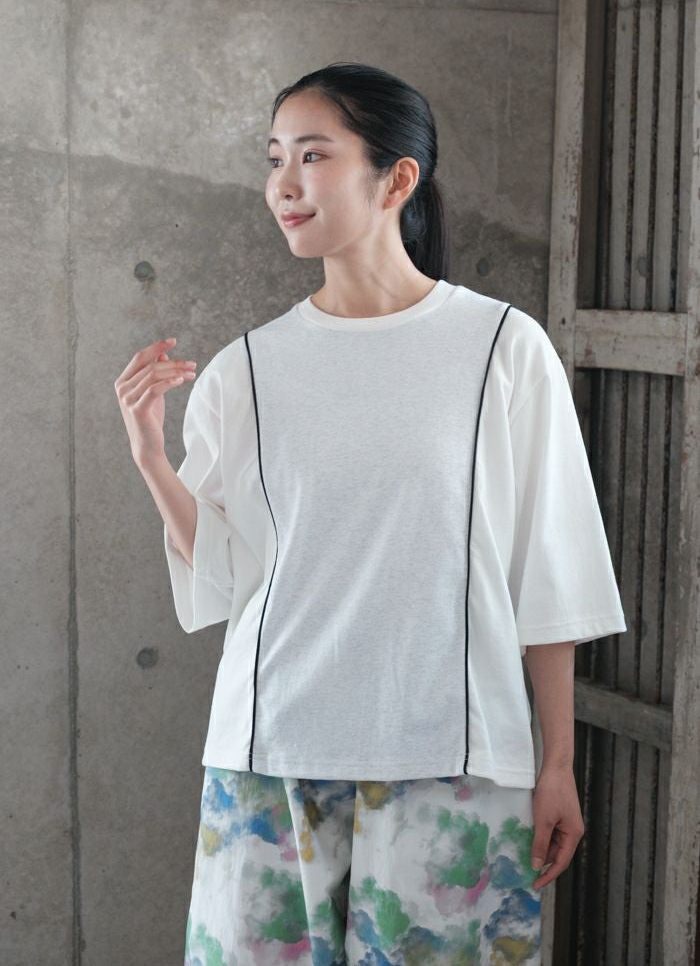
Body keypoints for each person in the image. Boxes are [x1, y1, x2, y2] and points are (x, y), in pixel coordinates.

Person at [115, 62, 627, 965]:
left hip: (457, 764)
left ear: (397, 179)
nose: (284, 184)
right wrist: (153, 460)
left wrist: (556, 763)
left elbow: (549, 572)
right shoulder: (245, 371)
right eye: (275, 158)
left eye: (313, 156)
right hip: (271, 757)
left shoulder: (502, 348)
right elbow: (229, 578)